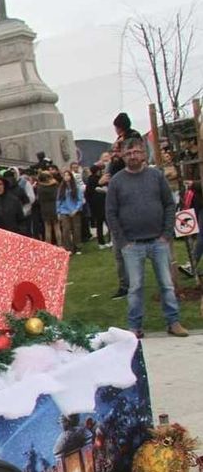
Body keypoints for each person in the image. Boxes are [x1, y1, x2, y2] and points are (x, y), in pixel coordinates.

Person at [106, 137, 188, 338]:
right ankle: (135, 328)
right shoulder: (116, 182)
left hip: (158, 242)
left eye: (136, 152)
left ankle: (173, 322)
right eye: (128, 153)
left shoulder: (156, 176)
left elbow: (169, 204)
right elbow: (111, 213)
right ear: (123, 156)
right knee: (135, 288)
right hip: (132, 245)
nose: (133, 156)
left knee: (167, 285)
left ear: (143, 153)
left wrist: (167, 234)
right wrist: (122, 241)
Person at [57, 170, 85, 254]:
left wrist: (76, 209)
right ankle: (68, 248)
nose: (66, 177)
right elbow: (58, 201)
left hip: (75, 211)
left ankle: (78, 247)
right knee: (66, 230)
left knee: (76, 229)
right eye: (64, 175)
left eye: (68, 175)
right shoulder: (61, 188)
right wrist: (58, 211)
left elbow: (80, 200)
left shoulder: (76, 188)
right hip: (64, 211)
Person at [85, 164, 110, 249]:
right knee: (108, 223)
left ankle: (101, 242)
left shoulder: (89, 180)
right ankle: (110, 240)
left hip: (95, 207)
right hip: (101, 205)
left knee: (99, 225)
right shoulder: (97, 179)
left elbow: (87, 194)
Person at [35, 170, 60, 245]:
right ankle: (60, 244)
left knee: (47, 228)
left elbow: (38, 199)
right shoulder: (55, 185)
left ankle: (48, 244)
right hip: (54, 206)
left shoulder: (40, 187)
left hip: (44, 208)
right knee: (57, 227)